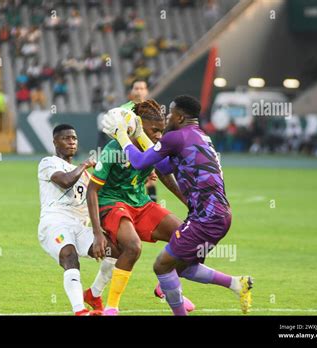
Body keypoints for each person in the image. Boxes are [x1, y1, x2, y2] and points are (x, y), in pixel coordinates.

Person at [102, 95, 253, 315]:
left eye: (171, 113)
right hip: (219, 215)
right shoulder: (200, 137)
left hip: (206, 218)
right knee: (184, 266)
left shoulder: (175, 138)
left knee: (161, 266)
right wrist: (141, 135)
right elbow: (164, 167)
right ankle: (237, 284)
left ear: (180, 117)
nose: (168, 117)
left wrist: (123, 136)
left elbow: (139, 162)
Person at [87, 100, 194, 316]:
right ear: (137, 124)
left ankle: (165, 284)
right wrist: (97, 233)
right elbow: (92, 191)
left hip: (141, 204)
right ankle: (111, 308)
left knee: (187, 237)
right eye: (154, 130)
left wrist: (188, 201)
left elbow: (165, 174)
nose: (158, 135)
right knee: (133, 247)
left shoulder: (152, 147)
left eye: (161, 131)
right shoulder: (113, 148)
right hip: (112, 203)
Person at [38, 124, 120, 316]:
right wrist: (84, 165)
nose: (71, 142)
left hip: (80, 227)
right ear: (55, 142)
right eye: (66, 138)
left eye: (74, 138)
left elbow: (99, 197)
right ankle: (80, 310)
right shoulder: (48, 162)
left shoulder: (83, 174)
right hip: (54, 224)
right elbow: (65, 180)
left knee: (116, 251)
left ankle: (94, 293)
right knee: (69, 255)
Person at [121, 79, 158, 202]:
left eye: (142, 88)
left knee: (151, 181)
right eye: (136, 88)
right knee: (132, 182)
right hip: (130, 151)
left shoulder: (153, 109)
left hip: (148, 149)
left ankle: (152, 208)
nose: (139, 91)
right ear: (131, 91)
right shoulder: (124, 109)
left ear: (147, 91)